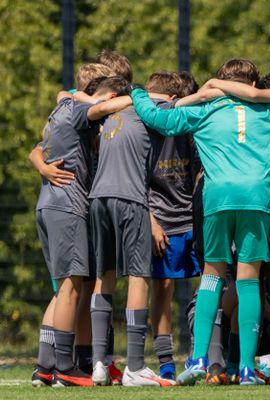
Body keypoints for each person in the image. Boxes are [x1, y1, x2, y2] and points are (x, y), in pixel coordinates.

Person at [129, 58, 270, 386]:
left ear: (221, 83)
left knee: (212, 275)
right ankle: (248, 369)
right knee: (248, 280)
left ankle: (197, 358)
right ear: (253, 85)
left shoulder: (208, 109)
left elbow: (158, 119)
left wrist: (137, 92)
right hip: (258, 200)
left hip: (217, 199)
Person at [28, 73, 128, 387]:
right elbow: (99, 107)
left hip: (47, 204)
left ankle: (46, 367)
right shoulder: (79, 109)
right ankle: (65, 369)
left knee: (63, 289)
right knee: (71, 287)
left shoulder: (61, 108)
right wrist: (142, 99)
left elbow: (38, 148)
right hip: (67, 205)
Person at [88, 75, 179, 387]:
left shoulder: (112, 112)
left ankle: (100, 364)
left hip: (98, 199)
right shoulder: (153, 106)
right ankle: (135, 366)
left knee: (105, 276)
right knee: (139, 276)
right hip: (130, 199)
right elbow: (176, 104)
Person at [145, 71, 202, 382]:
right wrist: (151, 220)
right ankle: (166, 363)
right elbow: (136, 181)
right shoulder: (146, 128)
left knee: (208, 285)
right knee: (163, 290)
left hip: (190, 218)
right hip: (162, 222)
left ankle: (199, 354)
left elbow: (197, 172)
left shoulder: (189, 125)